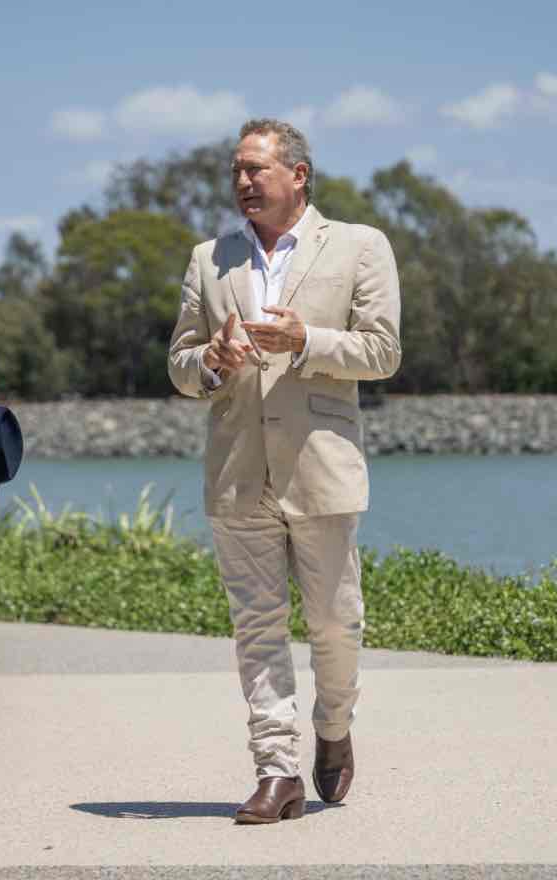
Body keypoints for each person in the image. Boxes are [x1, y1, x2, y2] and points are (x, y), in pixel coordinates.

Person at [168, 118, 402, 823]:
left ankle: (334, 728)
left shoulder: (361, 246)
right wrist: (211, 359)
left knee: (335, 624)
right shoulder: (209, 259)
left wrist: (306, 342)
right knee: (257, 628)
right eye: (236, 171)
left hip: (323, 469)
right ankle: (277, 771)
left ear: (298, 174)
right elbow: (179, 365)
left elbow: (383, 352)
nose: (242, 183)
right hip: (239, 473)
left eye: (256, 170)